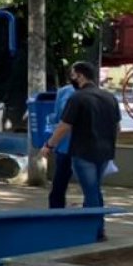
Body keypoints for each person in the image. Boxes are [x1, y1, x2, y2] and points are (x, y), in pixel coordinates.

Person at [40, 61, 122, 240]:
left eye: (73, 75)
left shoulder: (77, 98)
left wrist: (49, 145)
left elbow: (63, 126)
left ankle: (95, 231)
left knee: (91, 191)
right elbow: (117, 128)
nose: (72, 78)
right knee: (95, 190)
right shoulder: (109, 97)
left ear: (81, 76)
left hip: (84, 152)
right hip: (105, 152)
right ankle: (98, 228)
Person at [46, 75, 78, 208]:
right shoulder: (98, 94)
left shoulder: (66, 92)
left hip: (66, 144)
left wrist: (49, 144)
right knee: (91, 187)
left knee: (60, 182)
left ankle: (55, 213)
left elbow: (62, 120)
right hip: (87, 146)